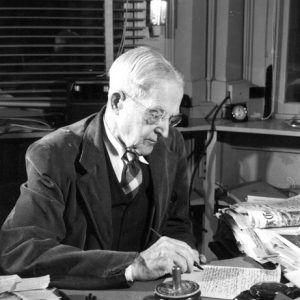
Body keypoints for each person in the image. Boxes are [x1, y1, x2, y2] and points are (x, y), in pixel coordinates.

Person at [0, 46, 203, 290]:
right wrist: (133, 267)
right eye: (155, 114)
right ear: (117, 102)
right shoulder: (53, 154)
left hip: (146, 291)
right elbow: (20, 251)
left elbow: (176, 222)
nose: (165, 130)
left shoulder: (170, 144)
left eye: (171, 118)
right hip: (83, 291)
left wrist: (182, 252)